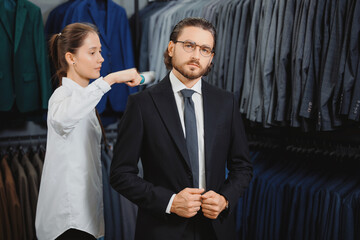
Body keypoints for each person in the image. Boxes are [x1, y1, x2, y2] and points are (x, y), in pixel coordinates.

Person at [110, 17, 253, 240]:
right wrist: (170, 202)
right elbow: (120, 174)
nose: (196, 55)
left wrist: (225, 199)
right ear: (171, 47)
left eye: (205, 49)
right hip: (162, 228)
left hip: (215, 229)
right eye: (189, 45)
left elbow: (242, 166)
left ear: (211, 57)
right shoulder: (142, 104)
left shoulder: (226, 102)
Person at [35, 22, 142, 240]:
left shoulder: (86, 101)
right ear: (71, 58)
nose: (100, 58)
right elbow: (64, 119)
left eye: (100, 52)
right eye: (92, 52)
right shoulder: (62, 97)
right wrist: (110, 79)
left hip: (86, 218)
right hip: (69, 222)